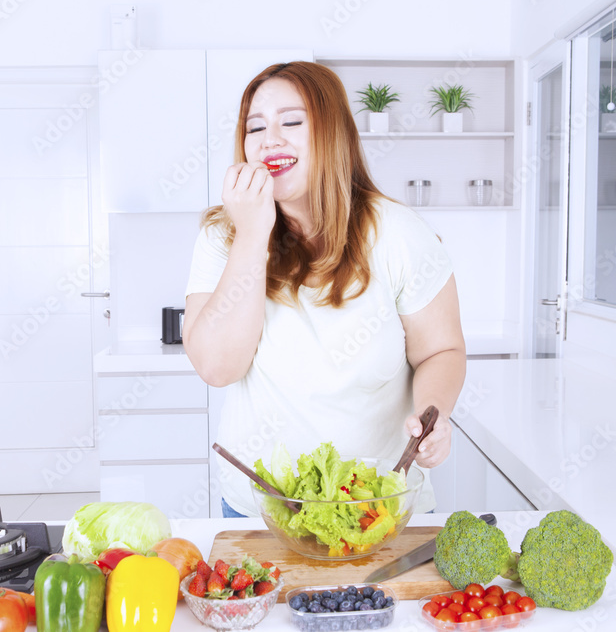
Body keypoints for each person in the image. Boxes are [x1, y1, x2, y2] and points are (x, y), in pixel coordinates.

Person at [182, 62, 466, 517]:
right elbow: (217, 366)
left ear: (332, 133)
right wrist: (253, 234)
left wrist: (434, 414)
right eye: (256, 127)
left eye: (291, 122)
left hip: (378, 505)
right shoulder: (224, 237)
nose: (269, 139)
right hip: (262, 511)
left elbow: (442, 350)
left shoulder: (400, 234)